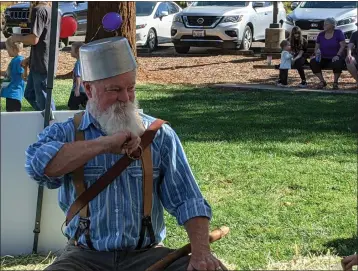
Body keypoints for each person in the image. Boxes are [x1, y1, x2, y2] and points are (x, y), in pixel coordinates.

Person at [25, 37, 227, 271]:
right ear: (88, 89)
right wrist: (102, 145)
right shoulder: (67, 133)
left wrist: (201, 253)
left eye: (130, 88)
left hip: (148, 255)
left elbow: (188, 200)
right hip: (84, 258)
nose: (125, 98)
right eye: (114, 89)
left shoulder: (159, 135)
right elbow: (38, 166)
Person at [9, 1, 58, 113]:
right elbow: (45, 40)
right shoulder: (53, 10)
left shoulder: (39, 10)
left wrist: (18, 37)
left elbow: (34, 39)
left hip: (41, 64)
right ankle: (45, 118)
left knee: (45, 103)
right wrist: (29, 59)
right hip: (42, 61)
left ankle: (51, 125)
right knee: (29, 94)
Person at [309, 18, 346, 90]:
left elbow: (343, 46)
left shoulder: (338, 33)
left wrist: (338, 55)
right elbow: (316, 48)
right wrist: (316, 54)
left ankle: (335, 82)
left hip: (335, 57)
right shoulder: (321, 34)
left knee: (337, 62)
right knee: (313, 62)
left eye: (326, 24)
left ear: (332, 25)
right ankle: (322, 81)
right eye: (324, 24)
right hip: (323, 58)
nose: (324, 25)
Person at [0, 39, 25, 112]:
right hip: (10, 93)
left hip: (14, 93)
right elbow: (10, 74)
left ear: (13, 49)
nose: (7, 51)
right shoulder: (15, 60)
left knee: (14, 115)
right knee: (10, 114)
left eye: (7, 49)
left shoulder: (19, 61)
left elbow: (23, 74)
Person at [67, 42, 88, 110]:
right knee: (86, 105)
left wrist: (77, 89)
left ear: (78, 52)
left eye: (71, 50)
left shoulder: (78, 63)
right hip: (85, 89)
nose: (70, 51)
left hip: (79, 89)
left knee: (72, 105)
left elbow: (78, 76)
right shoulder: (85, 62)